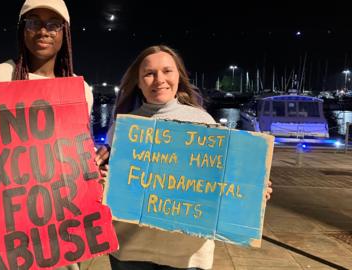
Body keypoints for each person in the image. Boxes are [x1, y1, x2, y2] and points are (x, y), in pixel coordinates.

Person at [0, 1, 99, 269]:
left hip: (60, 238)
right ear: (21, 30)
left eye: (53, 24)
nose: (43, 31)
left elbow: (74, 152)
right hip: (6, 237)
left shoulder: (80, 90)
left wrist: (92, 173)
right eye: (33, 22)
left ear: (65, 33)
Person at [103, 45, 273, 270]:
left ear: (179, 77)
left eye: (167, 71)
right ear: (139, 81)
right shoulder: (123, 127)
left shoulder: (204, 122)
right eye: (149, 73)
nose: (159, 79)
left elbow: (226, 181)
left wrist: (252, 192)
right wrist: (102, 180)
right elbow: (114, 187)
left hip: (187, 256)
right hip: (130, 251)